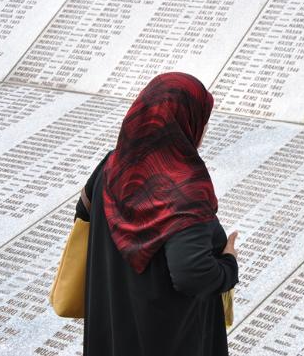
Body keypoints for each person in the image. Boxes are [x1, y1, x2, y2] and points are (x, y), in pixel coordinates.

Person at [74, 72, 239, 356]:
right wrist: (228, 266)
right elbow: (191, 274)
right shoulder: (186, 191)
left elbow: (83, 212)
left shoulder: (111, 166)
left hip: (115, 325)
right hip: (170, 337)